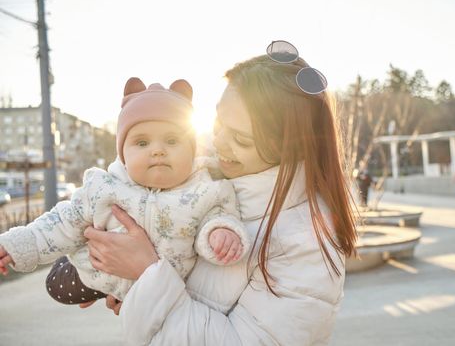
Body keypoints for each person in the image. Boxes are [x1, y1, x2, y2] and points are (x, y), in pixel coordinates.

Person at [79, 42, 359, 345]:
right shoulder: (204, 182)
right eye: (218, 122)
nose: (219, 142)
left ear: (289, 148)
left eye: (240, 138)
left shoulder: (306, 242)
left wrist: (146, 273)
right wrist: (131, 288)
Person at [0, 78, 249, 311]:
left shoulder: (205, 190)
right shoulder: (104, 187)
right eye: (142, 143)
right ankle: (76, 262)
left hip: (157, 290)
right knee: (57, 284)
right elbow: (61, 221)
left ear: (192, 149)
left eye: (172, 141)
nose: (158, 151)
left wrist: (220, 233)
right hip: (101, 274)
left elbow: (219, 215)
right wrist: (19, 245)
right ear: (123, 154)